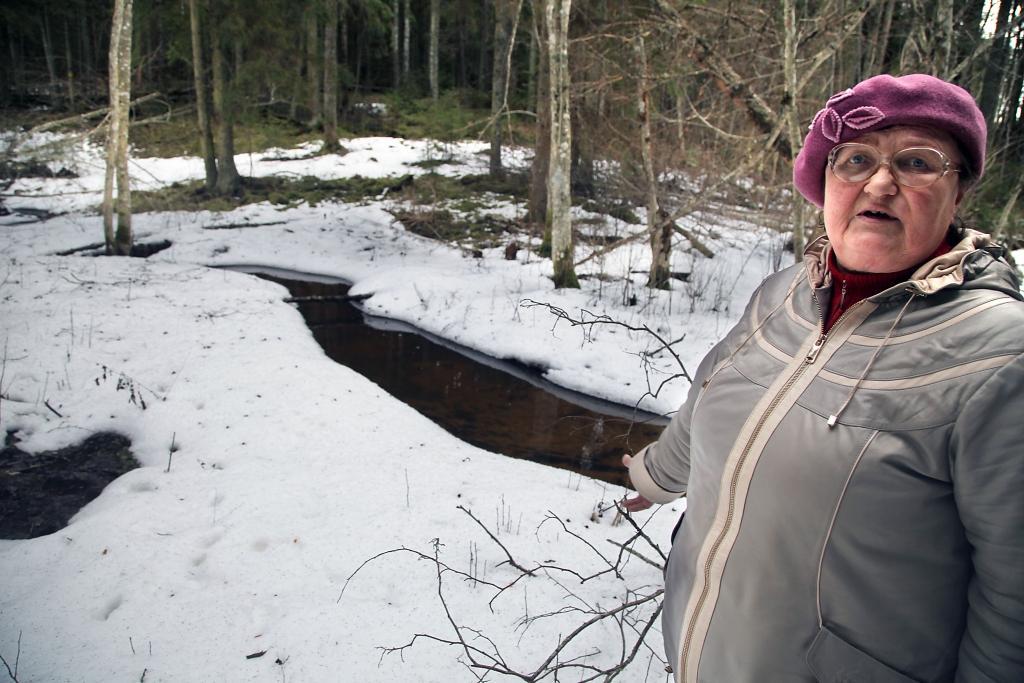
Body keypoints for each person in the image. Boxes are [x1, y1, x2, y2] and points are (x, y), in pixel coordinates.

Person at [622, 73, 1024, 683]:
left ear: (960, 188)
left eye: (917, 162)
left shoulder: (1002, 356)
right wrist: (656, 475)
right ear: (827, 179)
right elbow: (712, 391)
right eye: (856, 159)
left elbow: (1013, 601)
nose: (880, 183)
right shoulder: (785, 294)